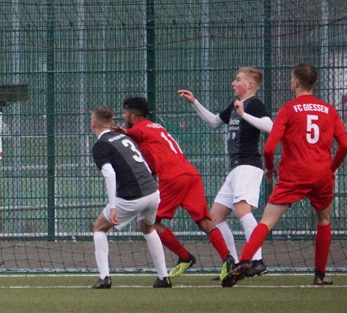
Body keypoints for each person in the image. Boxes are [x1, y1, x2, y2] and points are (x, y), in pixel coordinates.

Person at [222, 64, 347, 287]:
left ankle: (245, 261)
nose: (290, 82)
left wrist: (270, 168)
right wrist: (331, 169)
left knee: (266, 222)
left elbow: (269, 148)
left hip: (294, 175)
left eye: (291, 79)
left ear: (296, 82)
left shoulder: (289, 110)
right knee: (323, 221)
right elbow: (345, 146)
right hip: (321, 175)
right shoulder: (329, 110)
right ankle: (320, 275)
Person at [177, 67, 272, 280]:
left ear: (250, 85)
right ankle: (235, 264)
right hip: (236, 168)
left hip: (248, 165)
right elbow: (213, 122)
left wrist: (244, 114)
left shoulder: (253, 104)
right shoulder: (235, 105)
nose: (233, 83)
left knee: (242, 210)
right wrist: (194, 102)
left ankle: (257, 261)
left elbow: (270, 126)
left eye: (238, 80)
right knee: (216, 216)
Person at [120, 97, 232, 277]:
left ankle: (185, 257)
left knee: (149, 223)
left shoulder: (140, 128)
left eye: (125, 112)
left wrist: (122, 131)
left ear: (132, 115)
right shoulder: (157, 127)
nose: (123, 115)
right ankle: (228, 259)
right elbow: (153, 162)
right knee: (204, 221)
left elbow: (137, 134)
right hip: (190, 174)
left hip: (173, 177)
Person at [90, 106, 171, 289]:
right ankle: (163, 277)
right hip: (152, 191)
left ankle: (104, 278)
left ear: (94, 123)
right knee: (148, 228)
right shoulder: (123, 137)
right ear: (111, 122)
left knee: (100, 227)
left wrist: (113, 206)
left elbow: (110, 174)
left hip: (133, 197)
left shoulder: (101, 145)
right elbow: (143, 164)